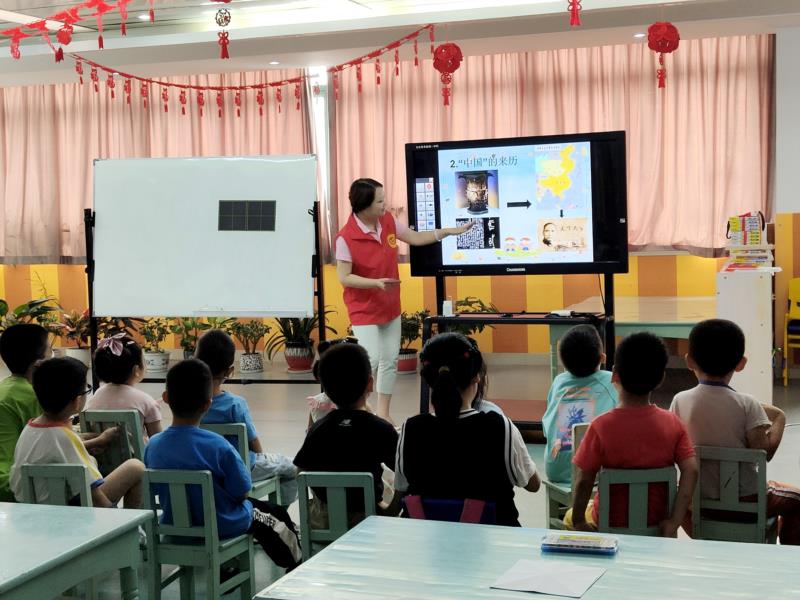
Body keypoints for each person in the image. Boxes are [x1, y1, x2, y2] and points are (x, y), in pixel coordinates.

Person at [335, 178, 473, 424]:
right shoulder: (345, 237)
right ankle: (356, 408)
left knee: (389, 360)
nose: (385, 204)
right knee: (371, 359)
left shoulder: (387, 221)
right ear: (364, 205)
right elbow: (344, 277)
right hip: (363, 308)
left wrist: (447, 232)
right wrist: (375, 283)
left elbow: (415, 238)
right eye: (380, 201)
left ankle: (383, 413)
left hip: (390, 305)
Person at [144, 359, 301, 569]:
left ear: (165, 398)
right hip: (223, 524)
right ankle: (296, 564)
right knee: (276, 515)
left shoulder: (153, 445)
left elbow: (155, 489)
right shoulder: (219, 446)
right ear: (207, 404)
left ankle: (228, 568)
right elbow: (242, 493)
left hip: (173, 526)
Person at [670, 319, 800, 544]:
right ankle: (789, 555)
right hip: (747, 504)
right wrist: (779, 418)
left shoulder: (679, 401)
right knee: (797, 500)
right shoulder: (748, 404)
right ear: (741, 363)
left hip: (696, 507)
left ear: (689, 361)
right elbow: (763, 453)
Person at [395, 333, 540, 526]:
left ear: (429, 380)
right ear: (477, 376)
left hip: (427, 541)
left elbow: (402, 488)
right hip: (494, 539)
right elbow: (533, 484)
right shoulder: (499, 426)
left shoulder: (411, 429)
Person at [566, 332, 698, 537]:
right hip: (656, 525)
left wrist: (579, 521)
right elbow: (691, 470)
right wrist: (674, 521)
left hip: (607, 525)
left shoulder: (600, 427)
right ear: (661, 378)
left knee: (567, 517)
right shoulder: (673, 424)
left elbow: (584, 480)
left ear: (615, 374)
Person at [9, 357, 144, 507]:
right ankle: (132, 520)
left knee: (92, 460)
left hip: (30, 509)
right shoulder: (66, 437)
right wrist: (112, 512)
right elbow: (95, 496)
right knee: (135, 467)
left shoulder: (29, 430)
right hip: (72, 511)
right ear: (77, 401)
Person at [294, 343, 400, 528]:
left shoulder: (318, 429)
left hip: (324, 522)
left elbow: (301, 472)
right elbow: (404, 472)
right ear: (370, 383)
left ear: (326, 389)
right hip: (367, 522)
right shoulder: (381, 429)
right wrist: (389, 508)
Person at [194, 329, 297, 505]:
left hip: (203, 465)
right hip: (242, 468)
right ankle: (279, 513)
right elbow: (253, 442)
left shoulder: (189, 404)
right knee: (292, 467)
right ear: (230, 371)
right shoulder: (236, 404)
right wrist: (261, 457)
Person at [541, 325, 618, 483]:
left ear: (563, 361)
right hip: (596, 475)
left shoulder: (558, 382)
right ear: (602, 358)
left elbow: (547, 427)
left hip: (555, 470)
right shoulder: (611, 381)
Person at [0, 324, 49, 501]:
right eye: (50, 351)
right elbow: (49, 443)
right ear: (38, 363)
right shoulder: (33, 396)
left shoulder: (5, 388)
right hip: (11, 484)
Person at [87, 334, 162, 444]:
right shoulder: (145, 401)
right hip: (139, 456)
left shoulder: (96, 396)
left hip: (101, 455)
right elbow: (158, 441)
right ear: (136, 370)